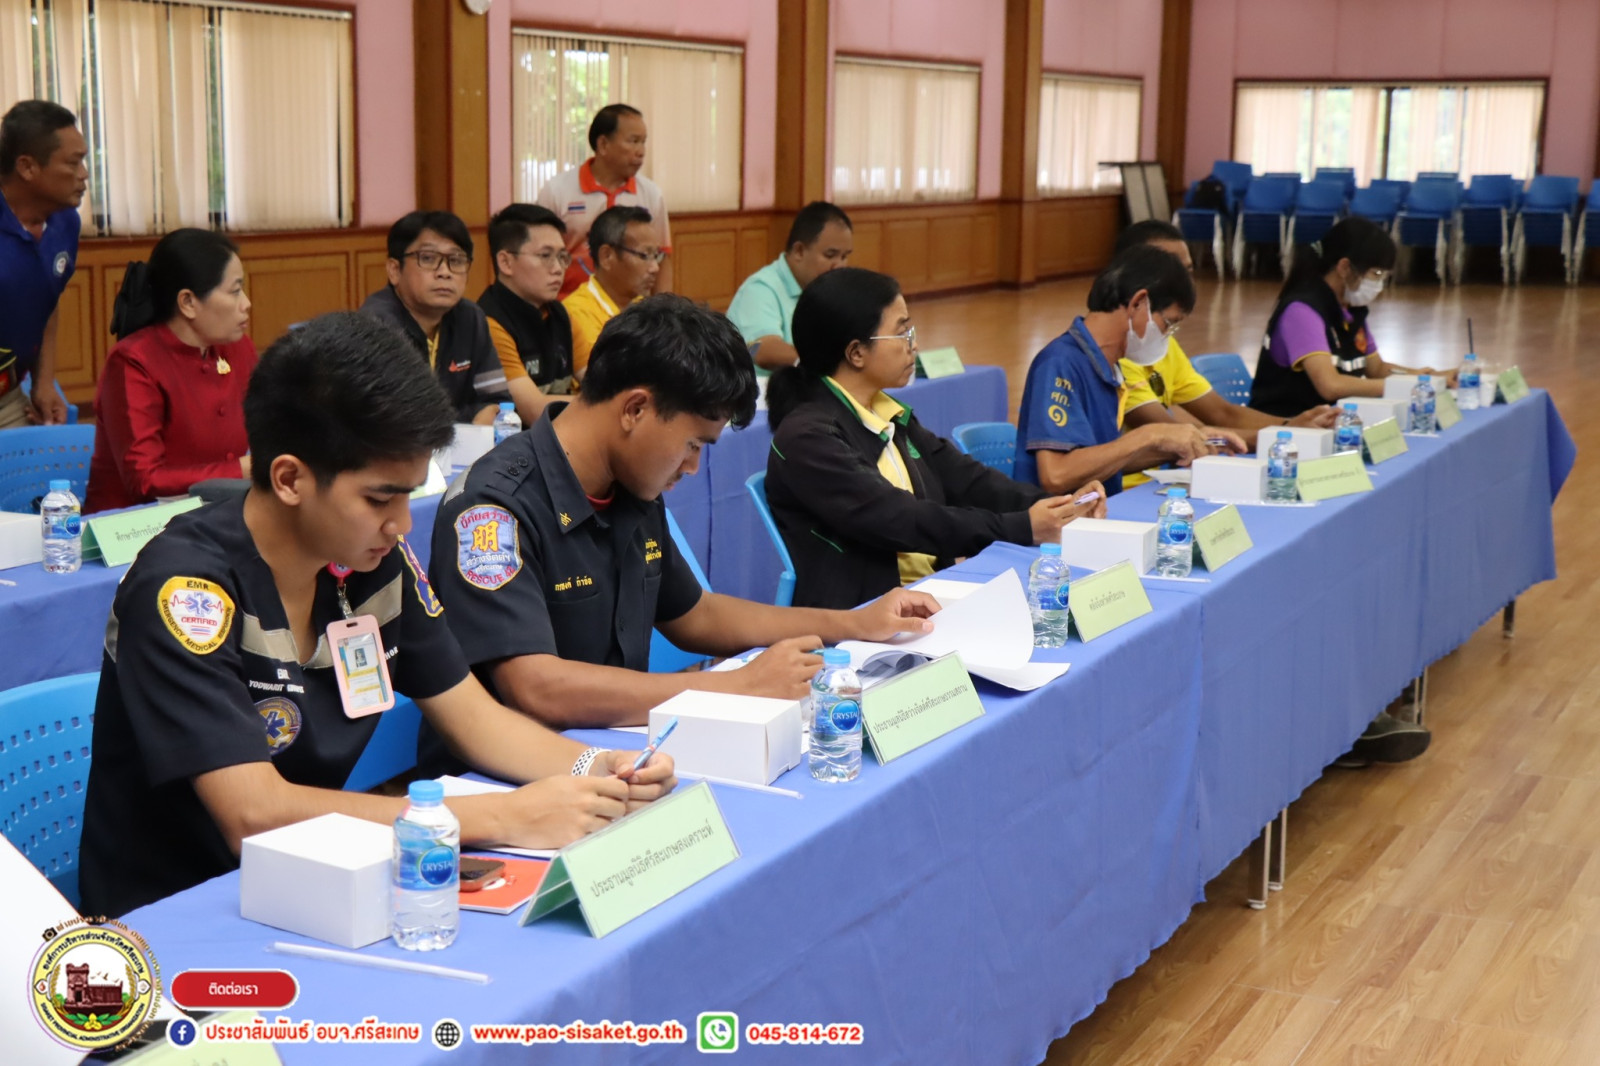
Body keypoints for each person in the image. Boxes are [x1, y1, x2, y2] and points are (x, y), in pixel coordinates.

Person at [77, 313, 675, 918]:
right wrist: (502, 816)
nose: (402, 524)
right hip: (175, 914)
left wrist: (594, 768)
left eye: (409, 495)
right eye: (379, 498)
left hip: (324, 879)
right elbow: (254, 814)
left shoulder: (371, 561)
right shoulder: (185, 592)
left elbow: (473, 718)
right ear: (290, 479)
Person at [427, 294, 941, 735]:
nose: (693, 467)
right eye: (693, 444)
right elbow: (537, 688)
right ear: (635, 409)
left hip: (621, 745)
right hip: (514, 776)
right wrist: (735, 686)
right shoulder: (493, 509)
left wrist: (852, 622)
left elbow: (696, 615)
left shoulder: (628, 478)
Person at [763, 268, 1106, 610]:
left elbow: (969, 481)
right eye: (902, 333)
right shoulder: (809, 438)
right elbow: (902, 519)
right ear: (856, 353)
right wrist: (1023, 527)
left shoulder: (886, 411)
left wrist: (1062, 504)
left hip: (929, 594)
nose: (914, 345)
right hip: (865, 614)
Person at [1014, 245, 1246, 496]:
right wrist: (1150, 435)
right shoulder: (1061, 363)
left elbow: (1104, 461)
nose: (1168, 336)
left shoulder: (1109, 368)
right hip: (1059, 518)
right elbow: (1056, 475)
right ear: (1138, 303)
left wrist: (1181, 443)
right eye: (1169, 323)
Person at [1114, 221, 1338, 448]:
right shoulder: (1121, 351)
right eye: (1171, 271)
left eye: (1187, 271)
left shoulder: (1163, 344)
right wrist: (1284, 434)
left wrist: (1291, 425)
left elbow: (1223, 413)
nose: (1185, 282)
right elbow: (1172, 434)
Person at [85, 230, 256, 512]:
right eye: (235, 291)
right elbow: (144, 480)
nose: (246, 303)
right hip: (133, 524)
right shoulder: (133, 362)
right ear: (188, 302)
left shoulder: (237, 348)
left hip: (214, 513)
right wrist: (240, 470)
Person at [1251, 217, 1451, 418]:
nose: (1379, 285)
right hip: (1287, 425)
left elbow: (1377, 369)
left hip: (1331, 422)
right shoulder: (1302, 311)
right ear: (1345, 268)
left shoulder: (1351, 309)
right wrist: (1402, 387)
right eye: (1376, 274)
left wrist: (1431, 378)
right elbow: (1330, 385)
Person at [361, 210, 511, 424]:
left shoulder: (471, 318)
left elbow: (499, 404)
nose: (444, 272)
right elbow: (396, 421)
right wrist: (471, 418)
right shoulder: (377, 326)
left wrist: (483, 414)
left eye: (456, 260)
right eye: (428, 259)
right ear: (394, 270)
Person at [0, 100, 84, 428]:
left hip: (8, 396)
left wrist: (44, 382)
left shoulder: (66, 223)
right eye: (73, 163)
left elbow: (46, 298)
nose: (84, 174)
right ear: (27, 167)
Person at [536, 104, 673, 297]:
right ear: (603, 144)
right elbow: (540, 255)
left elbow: (662, 257)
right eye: (633, 141)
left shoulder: (651, 194)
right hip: (569, 305)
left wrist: (663, 309)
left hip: (632, 309)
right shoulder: (557, 191)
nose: (641, 151)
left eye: (643, 142)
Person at [727, 201, 854, 373]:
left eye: (844, 257)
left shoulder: (829, 290)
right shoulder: (760, 289)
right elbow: (759, 349)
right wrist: (816, 365)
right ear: (799, 251)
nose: (839, 266)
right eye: (830, 255)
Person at [479, 203, 576, 424]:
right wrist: (604, 404)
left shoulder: (560, 314)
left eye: (562, 257)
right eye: (545, 255)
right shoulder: (489, 323)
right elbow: (535, 411)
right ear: (506, 262)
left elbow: (601, 381)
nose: (558, 268)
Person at [562, 206, 662, 378]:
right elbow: (609, 381)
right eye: (644, 255)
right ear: (607, 256)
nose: (655, 268)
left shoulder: (646, 307)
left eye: (656, 256)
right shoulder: (576, 313)